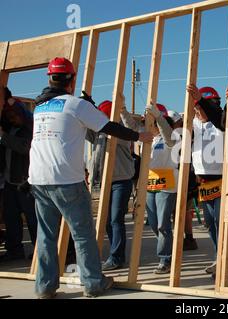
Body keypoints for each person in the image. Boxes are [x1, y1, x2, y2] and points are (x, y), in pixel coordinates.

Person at [30, 57, 153, 299]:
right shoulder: (75, 105)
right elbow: (109, 127)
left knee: (46, 235)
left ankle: (44, 287)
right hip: (66, 179)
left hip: (38, 178)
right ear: (72, 79)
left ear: (50, 78)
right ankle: (93, 283)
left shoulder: (39, 107)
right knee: (82, 232)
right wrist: (139, 136)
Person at [123, 102, 179, 274]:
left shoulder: (172, 137)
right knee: (154, 223)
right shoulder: (149, 138)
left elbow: (167, 135)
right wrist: (122, 111)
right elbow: (131, 127)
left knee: (163, 223)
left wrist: (158, 117)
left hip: (166, 185)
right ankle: (167, 246)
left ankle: (165, 258)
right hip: (150, 184)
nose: (147, 125)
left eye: (151, 122)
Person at [86, 100, 135, 271]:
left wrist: (123, 110)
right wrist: (86, 106)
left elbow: (133, 128)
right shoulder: (98, 132)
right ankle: (114, 255)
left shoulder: (120, 132)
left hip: (121, 181)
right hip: (103, 180)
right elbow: (84, 128)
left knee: (116, 219)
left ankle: (117, 257)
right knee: (106, 220)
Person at [186, 85, 225, 275]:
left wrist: (205, 102)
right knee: (210, 222)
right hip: (203, 179)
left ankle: (223, 260)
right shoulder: (194, 123)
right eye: (196, 109)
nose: (198, 112)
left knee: (220, 220)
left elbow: (218, 114)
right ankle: (220, 256)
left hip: (220, 177)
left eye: (201, 108)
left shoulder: (219, 123)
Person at [0, 87, 37, 262]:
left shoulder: (30, 129)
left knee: (32, 218)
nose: (11, 119)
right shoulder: (11, 129)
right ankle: (14, 250)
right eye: (9, 117)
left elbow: (24, 147)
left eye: (14, 116)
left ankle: (39, 250)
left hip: (25, 182)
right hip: (9, 181)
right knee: (11, 219)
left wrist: (3, 137)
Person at [167, 110, 198, 251]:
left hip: (185, 176)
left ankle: (187, 239)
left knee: (183, 210)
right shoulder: (181, 134)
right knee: (179, 210)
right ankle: (185, 238)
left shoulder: (181, 135)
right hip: (179, 175)